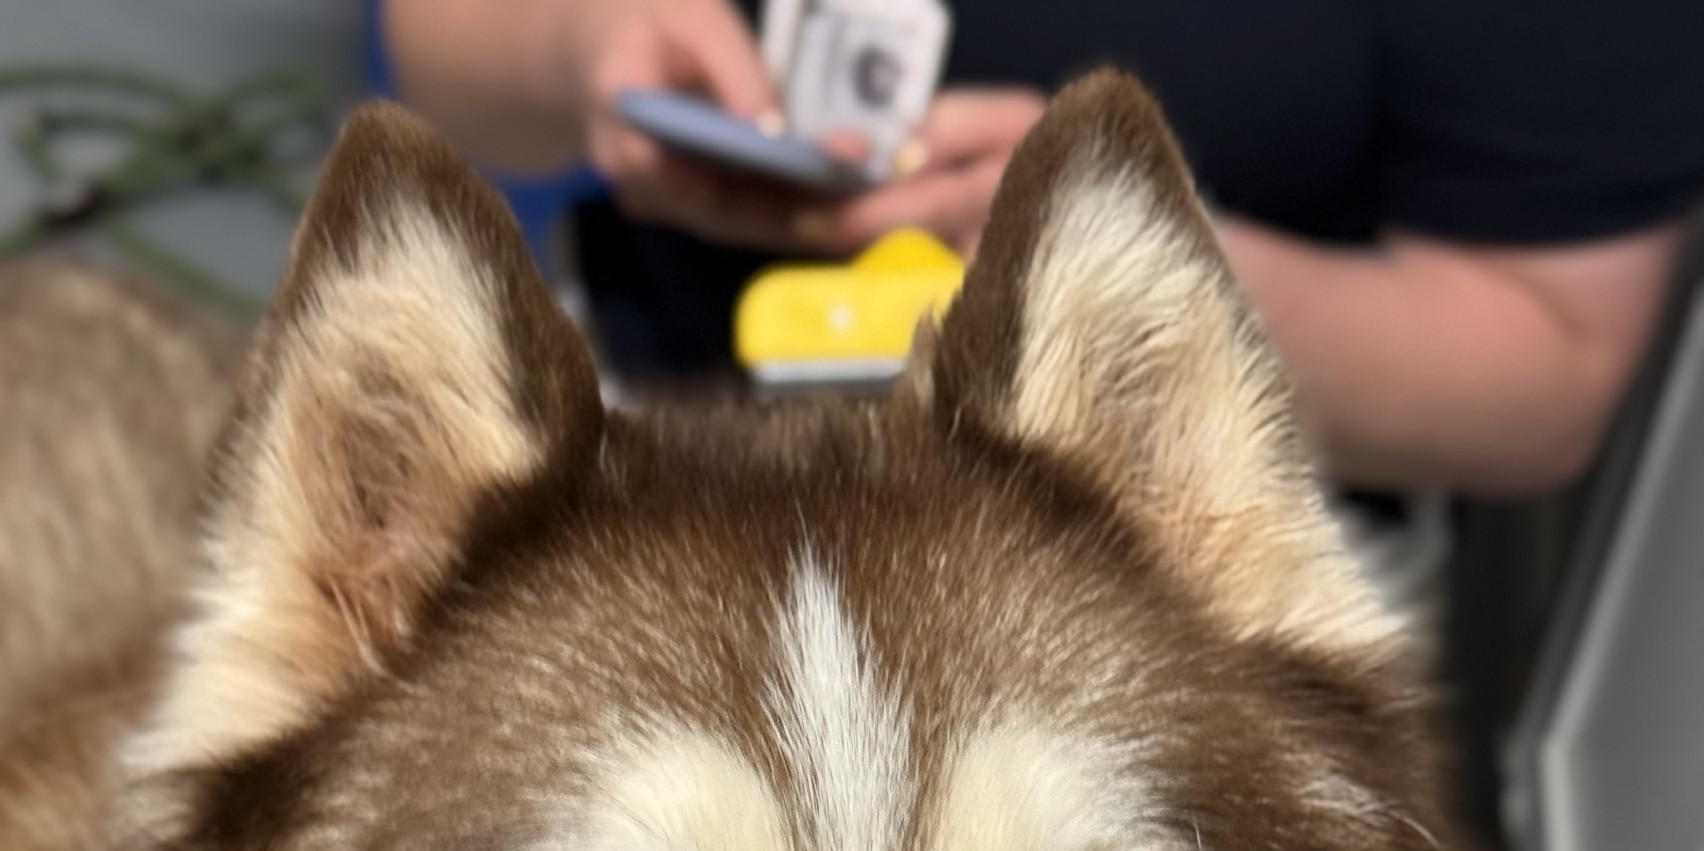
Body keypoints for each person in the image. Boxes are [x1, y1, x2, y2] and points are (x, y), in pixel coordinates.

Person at [382, 0, 1703, 498]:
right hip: (659, 416)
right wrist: (595, 57)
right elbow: (449, 43)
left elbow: (1545, 383)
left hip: (1153, 530)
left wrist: (1128, 268)